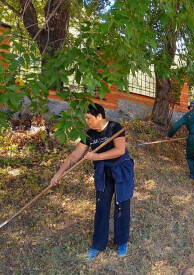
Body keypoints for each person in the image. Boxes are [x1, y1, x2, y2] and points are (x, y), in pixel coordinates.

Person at [50, 103, 134, 260]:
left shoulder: (115, 127)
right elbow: (75, 156)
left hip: (121, 169)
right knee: (101, 207)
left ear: (99, 116)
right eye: (85, 118)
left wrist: (97, 156)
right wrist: (58, 174)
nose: (87, 121)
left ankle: (122, 241)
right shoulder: (89, 134)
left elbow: (120, 150)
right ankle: (98, 244)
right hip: (103, 171)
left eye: (89, 118)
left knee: (122, 204)